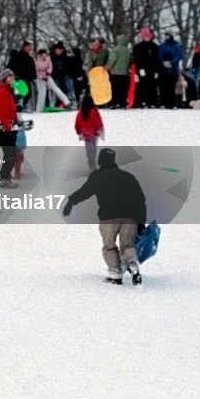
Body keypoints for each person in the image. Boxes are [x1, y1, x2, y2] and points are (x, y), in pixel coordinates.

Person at [63, 147, 147, 285]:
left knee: (109, 245)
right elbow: (140, 200)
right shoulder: (128, 177)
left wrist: (71, 202)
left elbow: (84, 192)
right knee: (127, 245)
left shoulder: (98, 177)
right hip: (130, 218)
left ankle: (115, 274)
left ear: (101, 161)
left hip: (109, 218)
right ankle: (132, 263)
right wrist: (141, 223)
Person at [0, 69, 19, 186]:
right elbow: (2, 113)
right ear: (4, 78)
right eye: (9, 77)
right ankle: (4, 177)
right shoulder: (2, 92)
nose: (12, 79)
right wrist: (8, 128)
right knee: (10, 153)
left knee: (10, 153)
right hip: (3, 129)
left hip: (6, 127)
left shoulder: (6, 91)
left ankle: (5, 175)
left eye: (12, 76)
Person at [74, 94, 105, 171]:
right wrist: (100, 130)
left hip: (86, 134)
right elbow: (98, 122)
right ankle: (93, 167)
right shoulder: (94, 111)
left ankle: (92, 166)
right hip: (94, 134)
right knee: (93, 150)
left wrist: (79, 132)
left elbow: (77, 124)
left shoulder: (80, 113)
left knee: (89, 152)